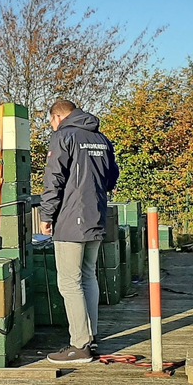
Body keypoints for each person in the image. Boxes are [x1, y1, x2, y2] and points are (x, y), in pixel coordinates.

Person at [40, 99, 119, 363]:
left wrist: (46, 215)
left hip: (70, 219)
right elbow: (112, 178)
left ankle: (79, 345)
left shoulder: (64, 136)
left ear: (58, 117)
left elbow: (54, 179)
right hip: (96, 214)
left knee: (69, 282)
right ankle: (91, 337)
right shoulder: (101, 138)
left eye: (50, 122)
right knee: (88, 276)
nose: (51, 127)